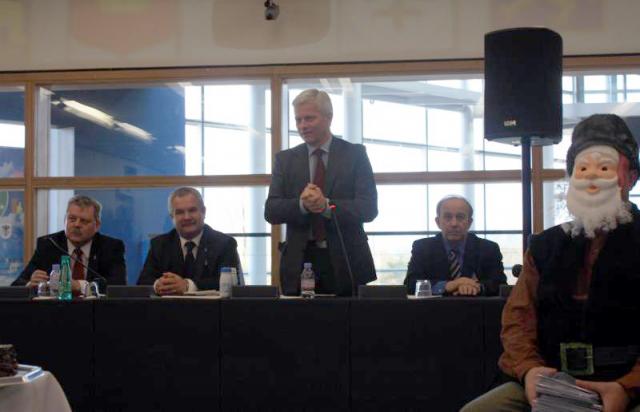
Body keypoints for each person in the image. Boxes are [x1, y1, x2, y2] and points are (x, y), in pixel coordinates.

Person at [462, 114, 640, 412]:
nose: (592, 178)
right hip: (552, 380)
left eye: (605, 167)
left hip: (627, 385)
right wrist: (530, 370)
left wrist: (627, 386)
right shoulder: (545, 246)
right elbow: (518, 320)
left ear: (631, 177)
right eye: (583, 168)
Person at [264, 89, 378, 296]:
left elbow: (368, 208)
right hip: (299, 262)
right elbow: (271, 211)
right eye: (298, 120)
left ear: (329, 117)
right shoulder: (285, 159)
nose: (303, 126)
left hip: (346, 261)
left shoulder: (355, 155)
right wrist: (302, 204)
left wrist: (327, 206)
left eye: (309, 118)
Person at [137, 187, 242, 295]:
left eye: (192, 210)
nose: (186, 217)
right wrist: (158, 284)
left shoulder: (224, 244)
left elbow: (230, 284)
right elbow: (143, 283)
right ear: (172, 217)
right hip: (169, 306)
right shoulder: (159, 245)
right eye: (180, 212)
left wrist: (188, 285)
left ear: (203, 212)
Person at [12, 195, 126, 293]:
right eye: (72, 219)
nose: (77, 225)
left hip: (95, 309)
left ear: (97, 225)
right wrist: (29, 284)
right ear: (65, 220)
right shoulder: (49, 244)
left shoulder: (110, 247)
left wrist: (80, 286)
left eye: (84, 221)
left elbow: (118, 286)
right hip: (55, 309)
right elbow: (17, 285)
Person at [404, 195, 506, 296]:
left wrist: (477, 287)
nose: (454, 224)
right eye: (448, 217)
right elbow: (410, 284)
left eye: (460, 217)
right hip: (434, 306)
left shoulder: (488, 248)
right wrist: (448, 285)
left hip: (475, 306)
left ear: (469, 222)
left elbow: (500, 285)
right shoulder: (423, 248)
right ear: (438, 222)